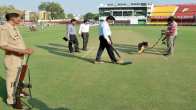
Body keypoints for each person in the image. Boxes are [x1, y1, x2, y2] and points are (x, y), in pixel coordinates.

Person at [0, 13, 33, 109]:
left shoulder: (15, 27)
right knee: (12, 80)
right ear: (13, 18)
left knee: (19, 78)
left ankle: (18, 92)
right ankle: (12, 100)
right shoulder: (4, 28)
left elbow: (17, 42)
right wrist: (22, 50)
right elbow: (2, 45)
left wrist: (26, 50)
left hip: (21, 57)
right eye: (19, 18)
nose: (21, 19)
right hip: (12, 58)